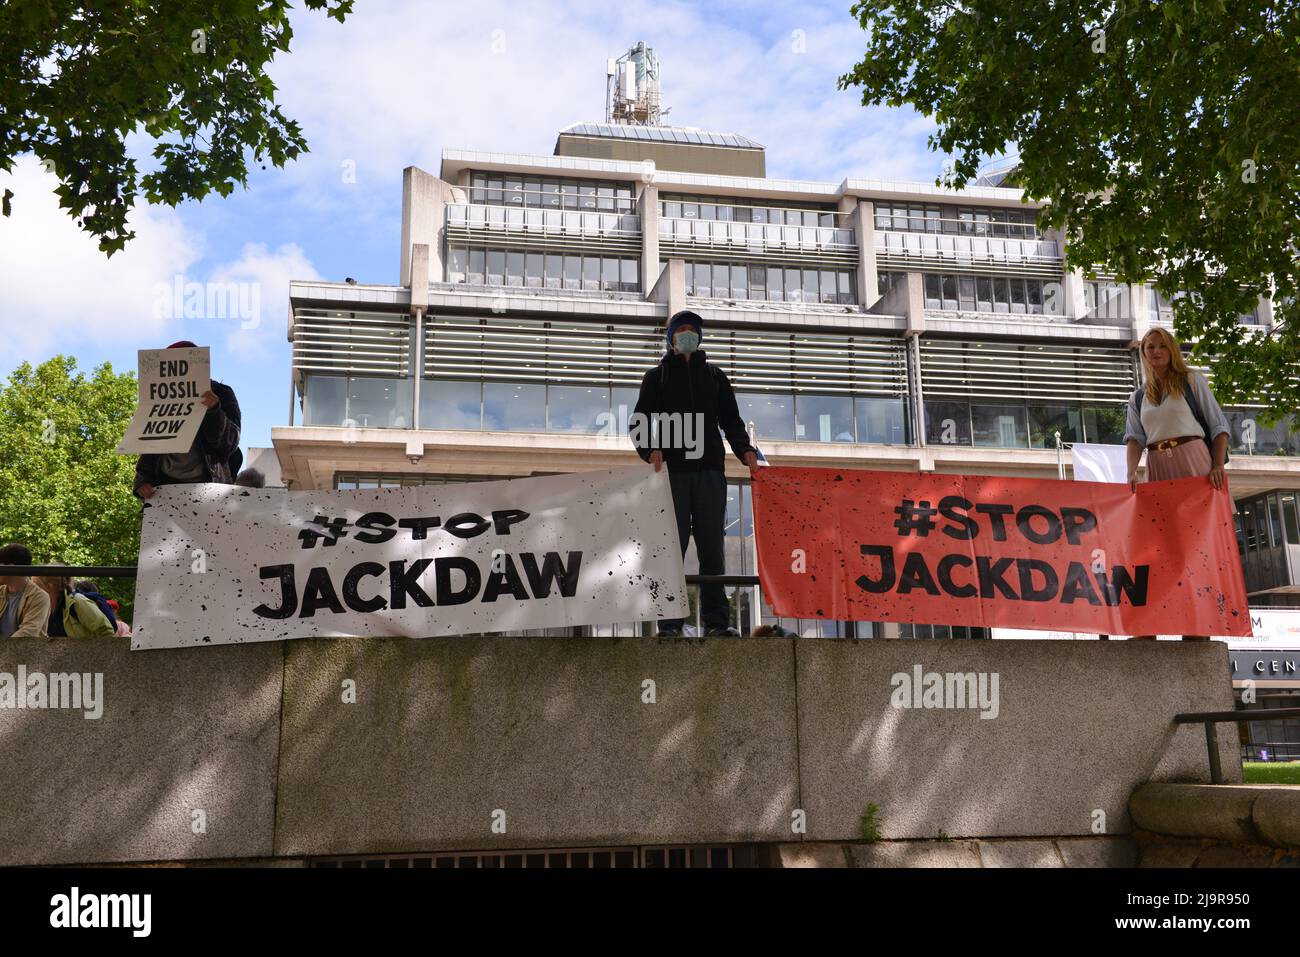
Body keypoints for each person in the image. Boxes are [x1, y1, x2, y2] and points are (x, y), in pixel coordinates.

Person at [632, 310, 758, 637]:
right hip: (672, 474)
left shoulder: (715, 377)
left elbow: (731, 421)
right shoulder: (656, 378)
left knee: (712, 551)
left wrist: (746, 451)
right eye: (681, 330)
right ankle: (670, 625)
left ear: (699, 336)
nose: (687, 335)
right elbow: (639, 421)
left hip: (710, 474)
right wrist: (650, 451)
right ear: (671, 337)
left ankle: (718, 624)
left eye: (692, 330)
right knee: (671, 549)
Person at [1123, 327, 1231, 641]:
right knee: (1162, 546)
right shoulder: (1139, 396)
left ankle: (1198, 628)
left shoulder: (1191, 381)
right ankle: (1155, 622)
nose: (1155, 351)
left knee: (1196, 546)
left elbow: (1219, 426)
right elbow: (1134, 438)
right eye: (1148, 347)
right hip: (1158, 465)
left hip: (1193, 459)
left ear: (1171, 349)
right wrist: (1131, 472)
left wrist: (1216, 465)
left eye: (1161, 346)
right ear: (1142, 354)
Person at [134, 340, 242, 500]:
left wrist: (213, 411)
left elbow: (230, 444)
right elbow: (151, 445)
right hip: (164, 491)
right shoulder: (159, 396)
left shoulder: (221, 393)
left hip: (210, 491)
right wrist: (142, 481)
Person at [34, 570, 115, 638]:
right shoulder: (46, 608)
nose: (33, 592)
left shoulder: (77, 602)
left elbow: (106, 632)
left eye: (36, 587)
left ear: (50, 586)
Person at [0, 543, 51, 638]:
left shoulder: (40, 597)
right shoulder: (1, 591)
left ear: (10, 568)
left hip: (26, 651)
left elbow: (27, 633)